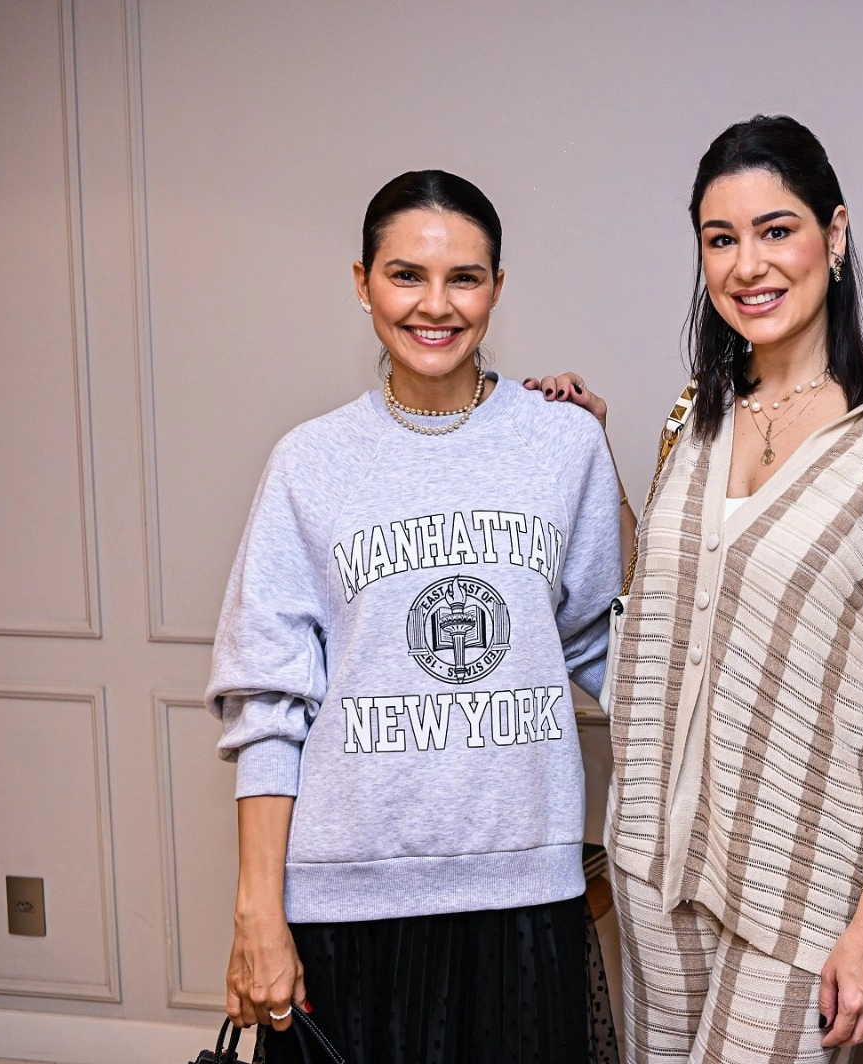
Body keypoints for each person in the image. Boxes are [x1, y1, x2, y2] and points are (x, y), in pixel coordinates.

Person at [529, 115, 863, 1063]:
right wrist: (592, 451)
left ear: (836, 234)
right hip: (657, 856)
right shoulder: (698, 414)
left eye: (776, 230)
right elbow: (670, 605)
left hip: (803, 881)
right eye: (720, 238)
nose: (748, 264)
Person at [207, 170, 623, 1064]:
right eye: (406, 276)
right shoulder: (308, 463)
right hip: (346, 897)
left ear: (498, 289)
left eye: (465, 278)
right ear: (361, 283)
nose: (436, 305)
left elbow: (623, 645)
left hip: (521, 889)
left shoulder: (561, 442)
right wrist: (258, 911)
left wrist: (606, 459)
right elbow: (267, 702)